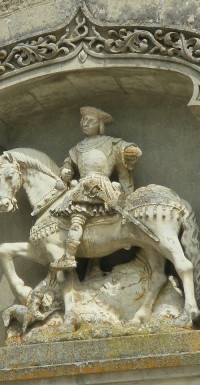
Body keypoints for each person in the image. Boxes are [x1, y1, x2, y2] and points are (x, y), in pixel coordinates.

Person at [50, 106, 142, 270]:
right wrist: (65, 170)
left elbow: (128, 151)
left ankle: (69, 256)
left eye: (90, 121)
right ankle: (82, 258)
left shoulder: (111, 143)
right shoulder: (77, 148)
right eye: (83, 120)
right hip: (82, 185)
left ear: (100, 125)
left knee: (78, 215)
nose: (85, 124)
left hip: (99, 185)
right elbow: (68, 165)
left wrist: (131, 152)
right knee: (76, 216)